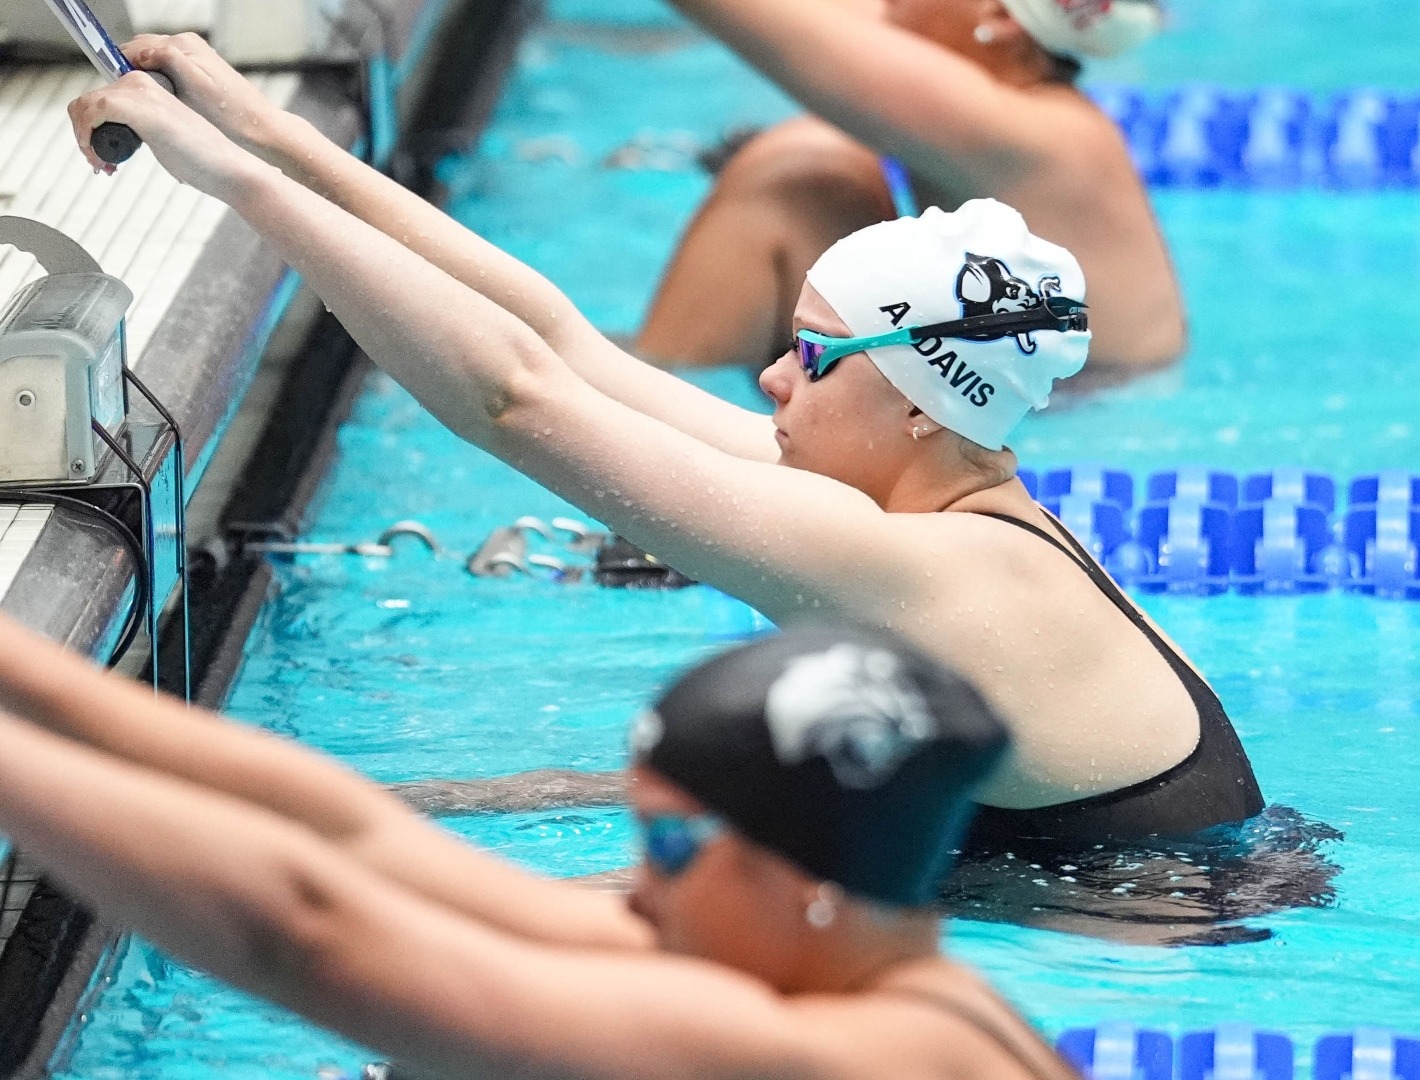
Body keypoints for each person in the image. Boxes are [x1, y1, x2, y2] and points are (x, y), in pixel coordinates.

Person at [65, 45, 1269, 889]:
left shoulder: (931, 571)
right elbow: (559, 341)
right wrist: (257, 125)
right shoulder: (924, 509)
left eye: (812, 355)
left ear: (915, 399)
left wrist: (228, 183)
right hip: (1024, 875)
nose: (771, 382)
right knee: (460, 815)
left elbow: (511, 400)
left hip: (1128, 922)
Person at [0, 615, 1081, 1080]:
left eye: (664, 843)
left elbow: (308, 936)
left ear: (796, 872)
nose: (635, 889)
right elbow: (358, 837)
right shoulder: (860, 968)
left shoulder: (843, 1057)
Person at [636, 0, 1187, 374]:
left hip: (1065, 428)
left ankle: (634, 436)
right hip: (982, 394)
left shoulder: (1038, 136)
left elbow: (772, 24)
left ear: (998, 18)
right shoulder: (1028, 102)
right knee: (815, 187)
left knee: (796, 170)